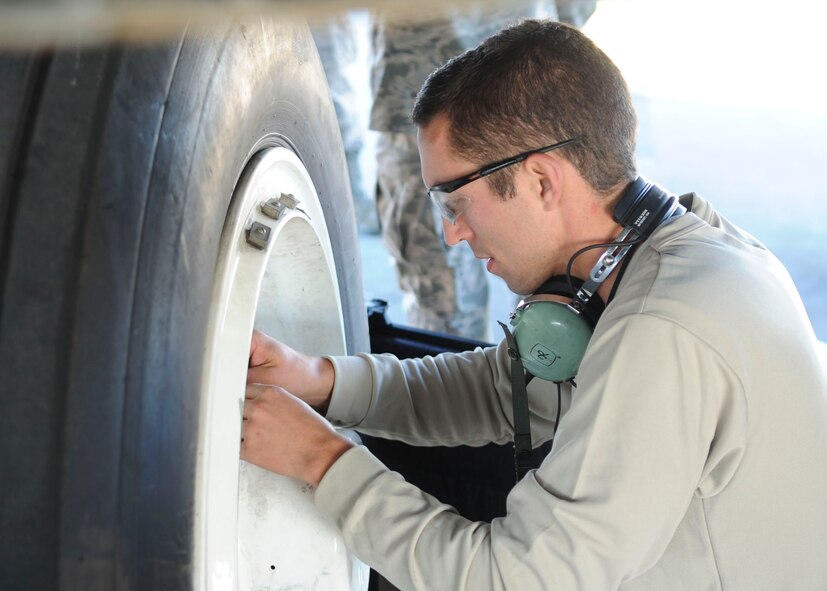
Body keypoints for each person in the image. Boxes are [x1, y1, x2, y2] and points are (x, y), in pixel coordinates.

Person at [241, 19, 827, 591]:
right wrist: (322, 381)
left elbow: (514, 579)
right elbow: (510, 389)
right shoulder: (687, 246)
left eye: (454, 202)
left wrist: (323, 460)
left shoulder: (661, 329)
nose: (452, 234)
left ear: (542, 180)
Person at [370, 2, 595, 340]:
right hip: (499, 82)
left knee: (543, 278)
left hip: (495, 82)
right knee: (452, 282)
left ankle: (533, 375)